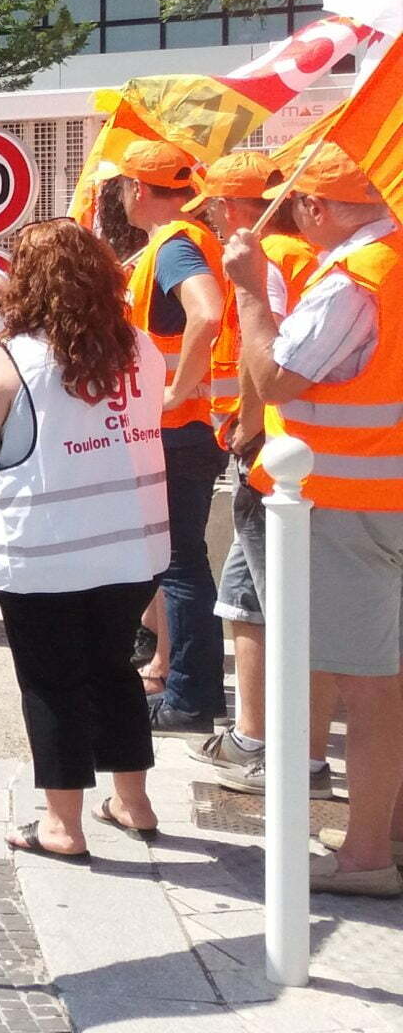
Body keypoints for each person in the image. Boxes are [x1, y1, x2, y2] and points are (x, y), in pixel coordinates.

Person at [0, 218, 168, 863]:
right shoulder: (141, 349)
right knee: (113, 669)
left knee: (52, 681)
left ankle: (63, 825)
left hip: (45, 549)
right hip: (132, 542)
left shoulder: (17, 360)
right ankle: (134, 802)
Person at [224, 146, 403, 896]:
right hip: (374, 497)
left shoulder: (355, 281)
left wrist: (251, 294)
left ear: (320, 208)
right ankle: (379, 835)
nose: (293, 214)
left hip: (346, 503)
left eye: (298, 202)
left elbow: (275, 376)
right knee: (378, 677)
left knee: (366, 684)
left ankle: (366, 857)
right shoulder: (389, 261)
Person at [189, 151, 334, 797]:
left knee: (285, 604)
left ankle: (295, 761)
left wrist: (248, 429)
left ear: (237, 205)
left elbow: (259, 352)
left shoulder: (264, 259)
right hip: (280, 451)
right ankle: (253, 739)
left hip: (270, 456)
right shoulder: (296, 255)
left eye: (217, 205)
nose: (214, 218)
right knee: (245, 594)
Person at [114, 141, 231, 734]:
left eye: (125, 183)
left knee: (180, 562)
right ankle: (185, 685)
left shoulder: (175, 246)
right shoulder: (183, 241)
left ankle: (189, 697)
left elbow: (206, 314)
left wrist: (178, 392)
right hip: (186, 428)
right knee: (178, 560)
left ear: (139, 188)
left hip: (177, 429)